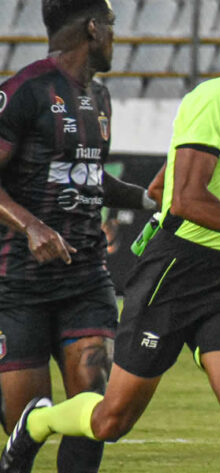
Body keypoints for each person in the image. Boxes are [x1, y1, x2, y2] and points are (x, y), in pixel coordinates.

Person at [0, 4, 220, 473]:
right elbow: (185, 200)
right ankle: (38, 424)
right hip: (177, 272)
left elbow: (159, 189)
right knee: (111, 419)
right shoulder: (215, 98)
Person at [0, 1, 157, 472]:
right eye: (111, 25)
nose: (115, 36)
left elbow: (89, 176)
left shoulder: (100, 98)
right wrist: (30, 225)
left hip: (86, 278)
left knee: (94, 409)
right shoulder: (24, 91)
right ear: (92, 28)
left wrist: (147, 199)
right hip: (19, 283)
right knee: (24, 422)